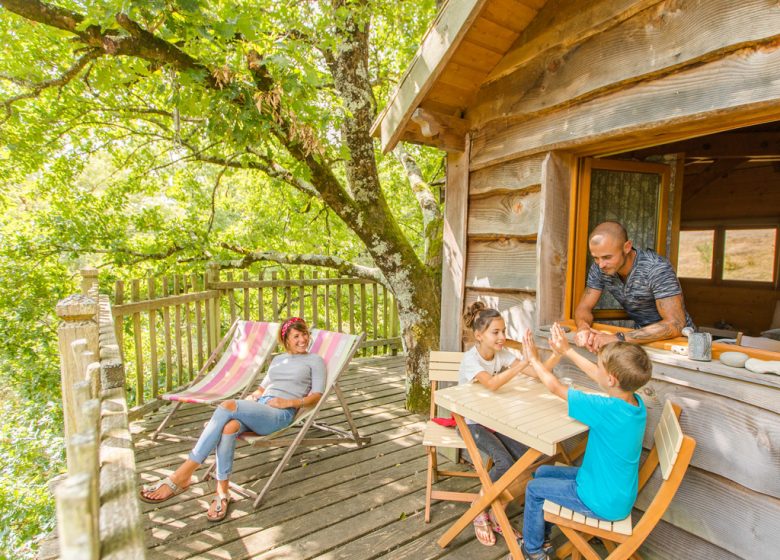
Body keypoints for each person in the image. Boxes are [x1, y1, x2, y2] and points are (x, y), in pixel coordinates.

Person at [139, 316, 325, 522]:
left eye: (305, 334)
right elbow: (262, 388)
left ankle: (182, 475)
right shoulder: (278, 359)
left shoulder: (315, 361)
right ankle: (222, 492)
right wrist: (252, 397)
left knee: (227, 405)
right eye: (296, 336)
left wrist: (288, 403)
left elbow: (316, 396)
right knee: (229, 427)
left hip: (280, 413)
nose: (303, 339)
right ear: (286, 340)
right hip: (260, 406)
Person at [518, 324, 652, 560]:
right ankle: (543, 537)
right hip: (609, 489)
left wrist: (533, 360)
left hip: (599, 500)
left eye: (599, 366)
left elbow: (555, 387)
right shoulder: (635, 404)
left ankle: (533, 551)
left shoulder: (605, 409)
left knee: (534, 489)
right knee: (541, 472)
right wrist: (567, 351)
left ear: (612, 379)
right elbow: (601, 376)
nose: (595, 369)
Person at [459, 302, 555, 547]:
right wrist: (524, 362)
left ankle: (495, 508)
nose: (502, 337)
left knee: (529, 457)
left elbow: (536, 375)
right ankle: (480, 507)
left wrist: (558, 354)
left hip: (496, 421)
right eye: (496, 332)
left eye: (503, 331)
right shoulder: (471, 359)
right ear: (479, 335)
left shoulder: (501, 354)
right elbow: (491, 383)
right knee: (505, 462)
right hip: (472, 424)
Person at [574, 221, 694, 352]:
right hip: (637, 340)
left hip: (679, 344)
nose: (601, 264)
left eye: (607, 257)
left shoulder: (656, 268)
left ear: (627, 247)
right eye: (596, 258)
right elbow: (584, 307)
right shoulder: (599, 268)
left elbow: (675, 324)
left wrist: (619, 338)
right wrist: (583, 327)